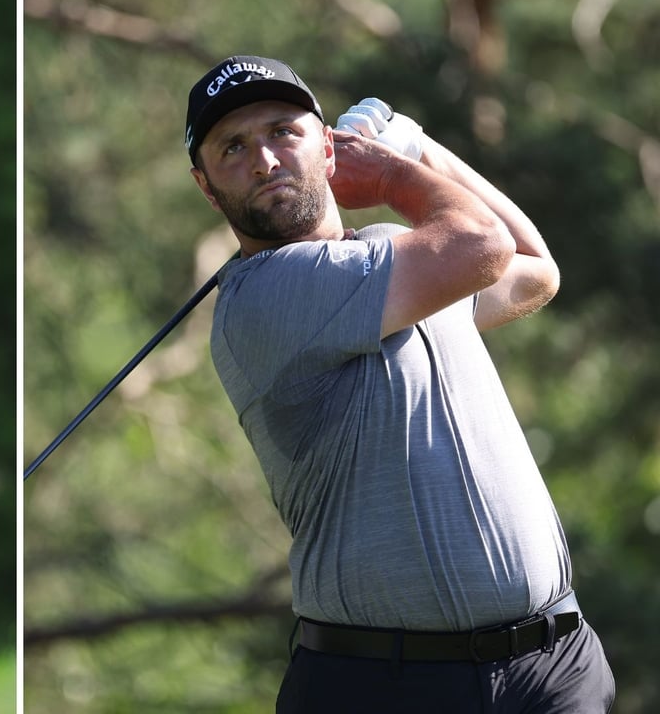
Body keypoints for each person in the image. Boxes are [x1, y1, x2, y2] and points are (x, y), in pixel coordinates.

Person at [184, 55, 614, 712]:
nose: (265, 160)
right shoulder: (263, 298)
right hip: (382, 684)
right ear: (208, 187)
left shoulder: (403, 258)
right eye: (233, 148)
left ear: (328, 147)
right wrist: (391, 171)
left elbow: (534, 268)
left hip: (554, 668)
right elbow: (482, 246)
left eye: (283, 132)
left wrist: (417, 146)